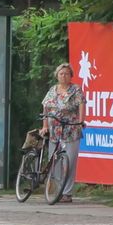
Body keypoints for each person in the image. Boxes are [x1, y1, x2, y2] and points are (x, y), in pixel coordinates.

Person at [39, 62, 84, 201]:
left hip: (71, 128)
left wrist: (81, 121)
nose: (64, 76)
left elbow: (81, 105)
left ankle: (67, 193)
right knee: (55, 161)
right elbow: (46, 108)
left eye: (66, 74)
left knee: (69, 161)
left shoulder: (75, 89)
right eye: (61, 74)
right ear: (57, 76)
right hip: (54, 130)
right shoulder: (53, 90)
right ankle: (57, 191)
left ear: (71, 75)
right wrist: (45, 125)